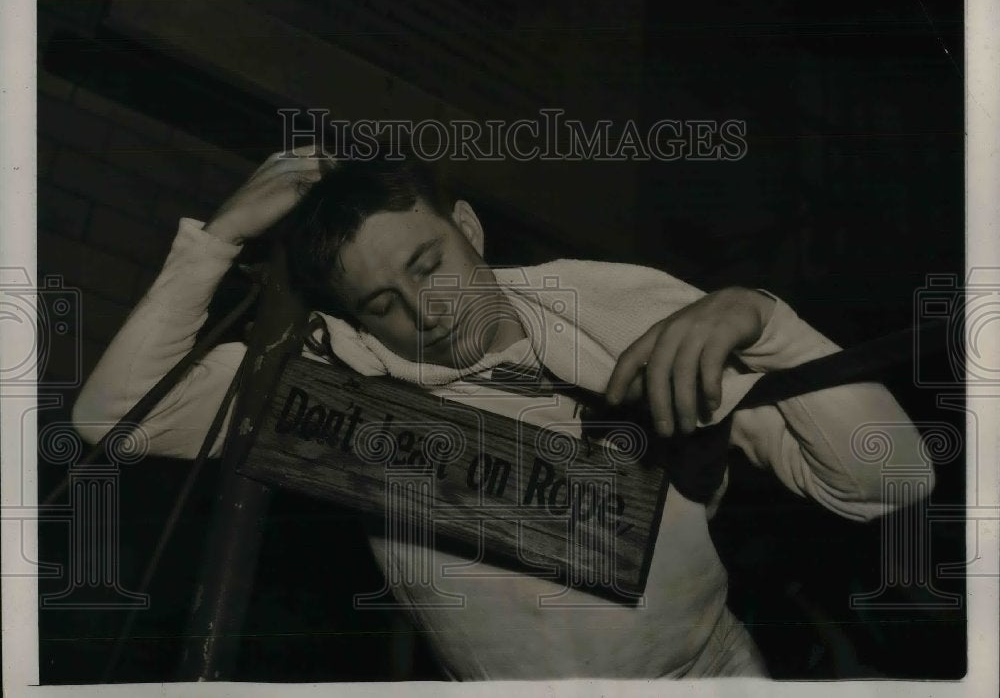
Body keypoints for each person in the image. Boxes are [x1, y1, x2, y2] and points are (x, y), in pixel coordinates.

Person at [72, 144, 932, 679]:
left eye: (429, 263)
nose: (428, 311)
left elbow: (890, 481)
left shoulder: (626, 321)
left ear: (471, 229)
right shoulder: (335, 387)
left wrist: (765, 321)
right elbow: (114, 420)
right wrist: (215, 243)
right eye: (382, 302)